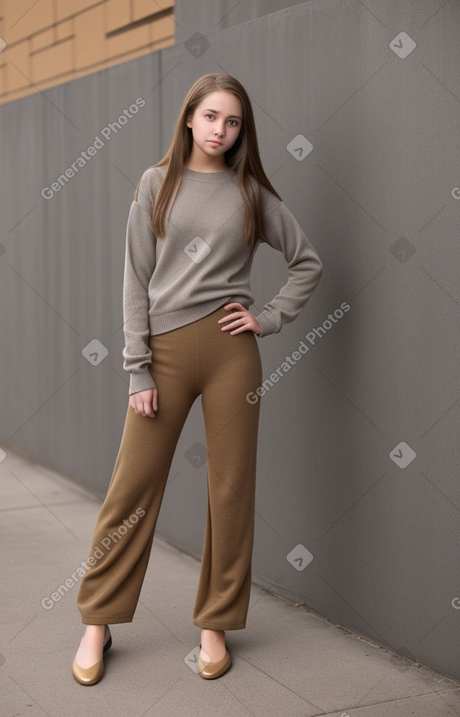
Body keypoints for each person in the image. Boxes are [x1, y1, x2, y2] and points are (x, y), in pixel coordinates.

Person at [72, 72, 323, 685]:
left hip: (231, 353)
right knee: (131, 488)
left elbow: (307, 262)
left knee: (231, 490)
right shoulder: (156, 184)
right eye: (211, 116)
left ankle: (215, 623)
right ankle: (96, 621)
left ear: (242, 130)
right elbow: (135, 278)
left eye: (233, 121)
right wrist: (138, 370)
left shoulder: (250, 191)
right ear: (189, 118)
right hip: (164, 353)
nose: (221, 129)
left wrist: (267, 319)